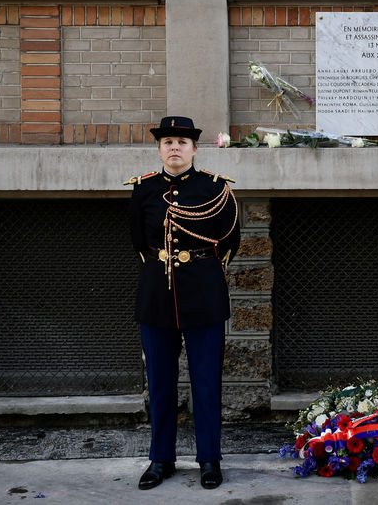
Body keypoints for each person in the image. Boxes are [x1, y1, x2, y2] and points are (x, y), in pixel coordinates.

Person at [125, 116, 240, 490]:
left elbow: (229, 240)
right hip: (157, 295)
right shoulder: (143, 190)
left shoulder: (215, 188)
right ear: (160, 148)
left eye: (182, 142)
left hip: (203, 295)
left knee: (206, 382)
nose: (174, 147)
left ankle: (209, 459)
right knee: (160, 383)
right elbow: (139, 242)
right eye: (168, 141)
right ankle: (161, 459)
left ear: (194, 149)